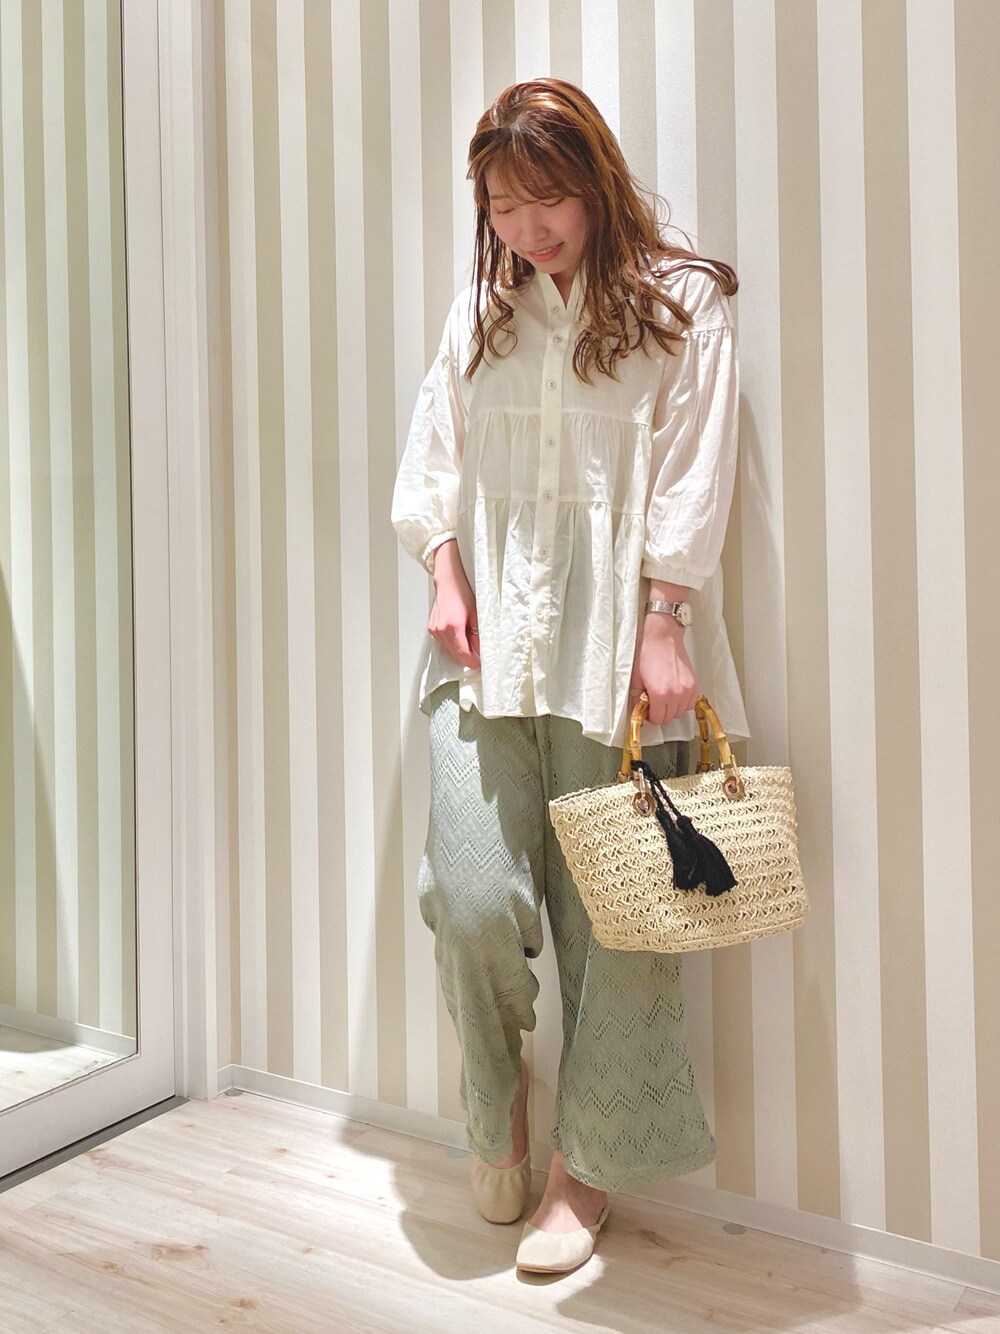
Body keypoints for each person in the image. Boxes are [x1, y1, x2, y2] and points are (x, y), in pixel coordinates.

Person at [391, 77, 749, 1275]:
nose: (526, 227)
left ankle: (581, 1171)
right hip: (482, 653)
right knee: (470, 896)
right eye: (502, 206)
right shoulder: (483, 311)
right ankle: (496, 1102)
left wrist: (664, 617)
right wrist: (443, 569)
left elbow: (694, 473)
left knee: (620, 923)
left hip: (618, 658)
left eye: (546, 199)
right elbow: (430, 461)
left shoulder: (679, 303)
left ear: (594, 182)